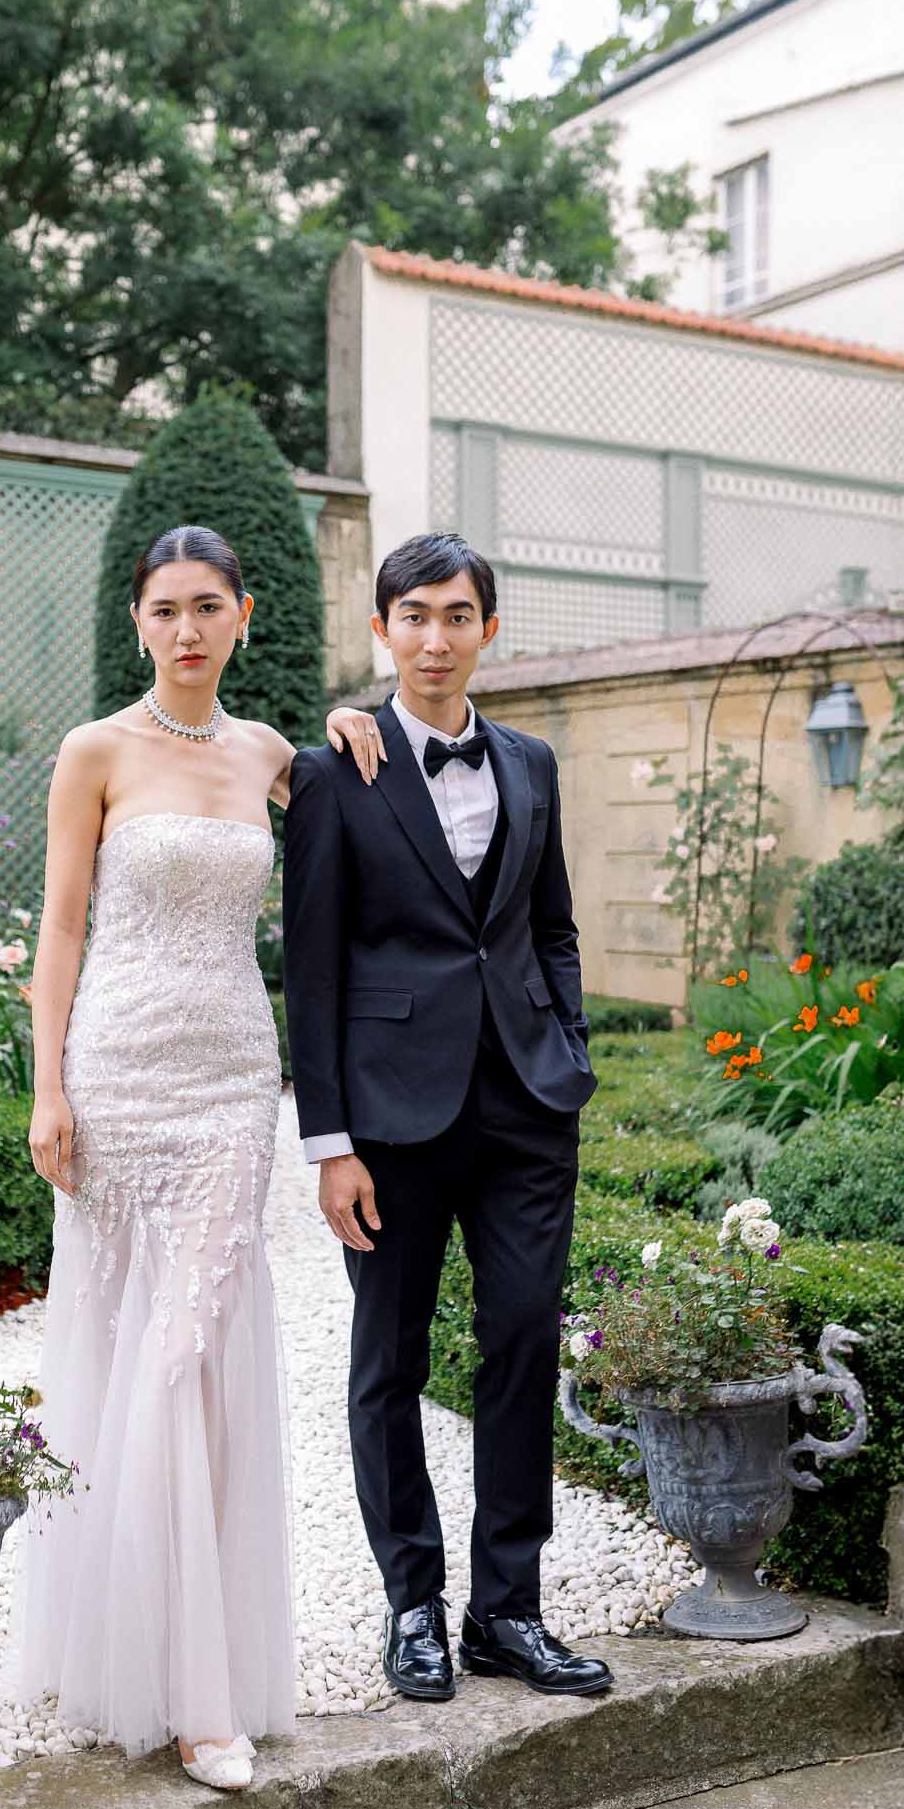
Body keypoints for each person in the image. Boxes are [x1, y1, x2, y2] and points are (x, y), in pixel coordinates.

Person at [20, 525, 380, 1792]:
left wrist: (352, 719)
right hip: (116, 1077)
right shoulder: (96, 750)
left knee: (193, 1352)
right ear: (138, 622)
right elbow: (60, 926)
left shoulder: (270, 755)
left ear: (242, 617)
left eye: (208, 606)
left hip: (233, 1082)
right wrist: (49, 1084)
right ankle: (132, 1655)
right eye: (165, 607)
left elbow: (364, 828)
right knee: (122, 1352)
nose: (186, 627)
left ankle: (202, 1687)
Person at [282, 530, 614, 1706]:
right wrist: (329, 1143)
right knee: (391, 1360)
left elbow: (553, 922)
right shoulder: (337, 768)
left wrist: (565, 1042)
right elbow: (310, 966)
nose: (435, 636)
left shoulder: (529, 761)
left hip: (527, 1103)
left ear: (486, 629)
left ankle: (507, 1611)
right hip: (390, 1118)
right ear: (382, 630)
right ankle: (412, 1602)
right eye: (412, 615)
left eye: (457, 614)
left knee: (524, 1341)